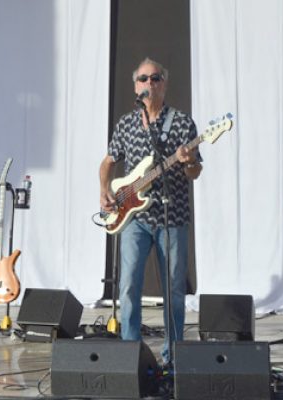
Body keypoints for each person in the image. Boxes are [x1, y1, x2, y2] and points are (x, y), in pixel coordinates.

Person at [99, 58, 202, 365]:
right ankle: (131, 355)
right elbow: (107, 163)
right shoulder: (126, 124)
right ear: (136, 86)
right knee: (129, 285)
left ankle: (173, 357)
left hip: (173, 217)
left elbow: (195, 172)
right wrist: (104, 191)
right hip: (134, 217)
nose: (149, 83)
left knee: (173, 290)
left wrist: (188, 161)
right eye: (143, 79)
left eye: (155, 78)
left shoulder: (182, 123)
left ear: (164, 84)